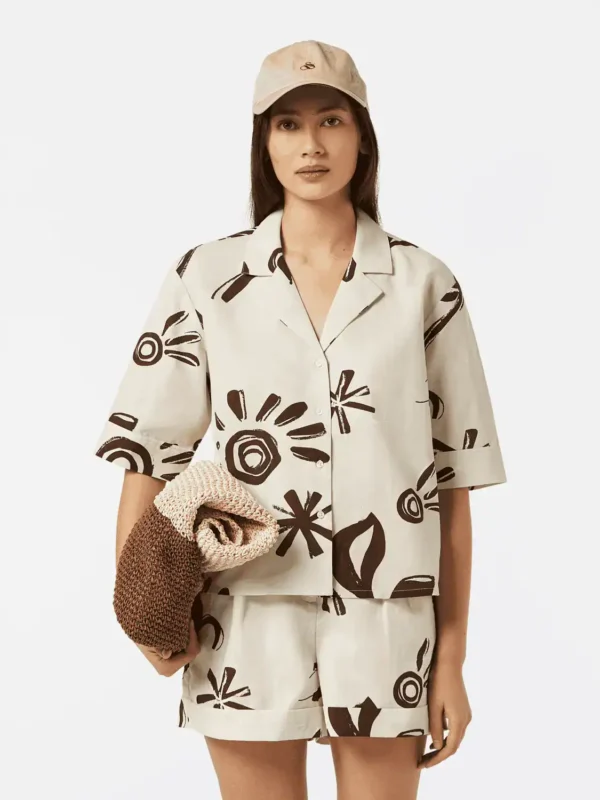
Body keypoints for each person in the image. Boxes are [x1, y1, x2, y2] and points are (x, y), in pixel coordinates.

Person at [94, 39, 507, 800]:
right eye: (287, 124)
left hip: (387, 616)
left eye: (330, 120)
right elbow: (146, 457)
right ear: (265, 142)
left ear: (363, 137)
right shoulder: (207, 278)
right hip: (242, 613)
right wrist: (143, 612)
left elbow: (453, 486)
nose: (311, 144)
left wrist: (451, 658)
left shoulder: (424, 284)